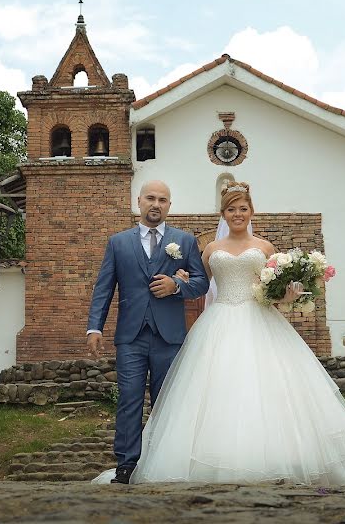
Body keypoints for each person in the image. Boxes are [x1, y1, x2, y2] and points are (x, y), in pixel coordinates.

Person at [122, 182, 345, 486]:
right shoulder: (210, 250)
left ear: (251, 211)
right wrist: (181, 279)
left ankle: (279, 458)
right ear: (223, 214)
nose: (237, 214)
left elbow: (273, 292)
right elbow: (198, 284)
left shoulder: (265, 248)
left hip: (260, 320)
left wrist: (289, 296)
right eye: (231, 209)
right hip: (220, 321)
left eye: (243, 208)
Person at [86, 180, 209, 484]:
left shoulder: (185, 241)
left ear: (169, 205)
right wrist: (94, 327)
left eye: (163, 200)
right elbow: (104, 288)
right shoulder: (118, 243)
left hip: (169, 336)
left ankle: (161, 460)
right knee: (128, 398)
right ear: (138, 201)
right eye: (151, 198)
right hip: (131, 336)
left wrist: (176, 285)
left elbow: (202, 284)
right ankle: (127, 464)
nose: (156, 204)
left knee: (166, 400)